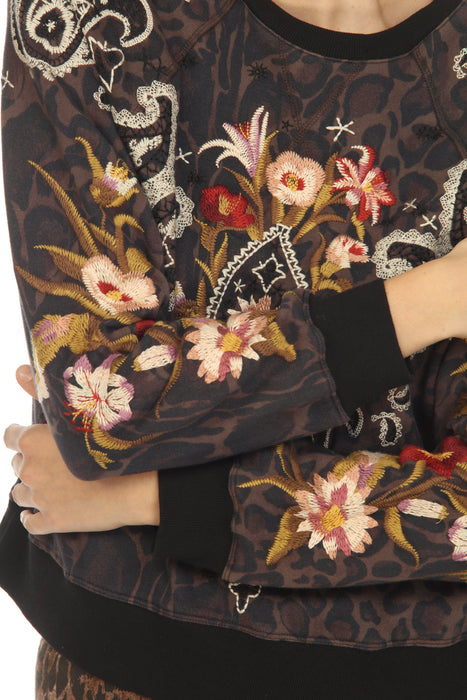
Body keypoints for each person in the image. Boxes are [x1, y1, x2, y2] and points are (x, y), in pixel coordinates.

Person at [2, 0, 467, 697]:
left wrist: (165, 496)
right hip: (128, 664)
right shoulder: (90, 23)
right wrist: (433, 299)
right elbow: (103, 409)